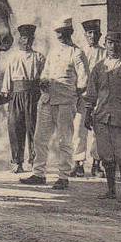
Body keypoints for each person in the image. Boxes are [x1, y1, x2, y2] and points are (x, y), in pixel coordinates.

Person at [21, 17, 88, 189]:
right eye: (57, 32)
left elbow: (83, 81)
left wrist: (72, 95)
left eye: (62, 32)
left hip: (65, 103)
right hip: (47, 100)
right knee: (39, 138)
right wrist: (43, 81)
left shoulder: (77, 53)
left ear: (69, 33)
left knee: (64, 140)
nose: (59, 35)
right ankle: (39, 173)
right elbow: (46, 72)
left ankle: (64, 176)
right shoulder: (53, 51)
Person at [84, 32, 121, 203]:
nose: (113, 46)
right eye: (110, 42)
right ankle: (111, 190)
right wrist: (88, 113)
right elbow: (91, 92)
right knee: (106, 156)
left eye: (117, 42)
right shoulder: (99, 67)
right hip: (102, 117)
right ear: (105, 44)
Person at [1, 23, 45, 173]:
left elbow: (44, 76)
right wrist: (6, 91)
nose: (27, 42)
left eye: (30, 39)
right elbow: (7, 76)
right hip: (16, 95)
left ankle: (33, 161)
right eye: (24, 38)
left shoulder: (38, 57)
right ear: (20, 40)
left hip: (33, 95)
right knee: (15, 127)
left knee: (33, 128)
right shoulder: (13, 57)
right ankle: (17, 162)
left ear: (32, 40)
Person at [72, 19, 106, 177]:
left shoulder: (105, 53)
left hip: (99, 96)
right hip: (83, 95)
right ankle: (78, 162)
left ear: (100, 34)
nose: (92, 36)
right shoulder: (79, 51)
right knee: (79, 128)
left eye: (95, 33)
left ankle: (96, 163)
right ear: (85, 35)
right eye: (89, 33)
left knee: (97, 130)